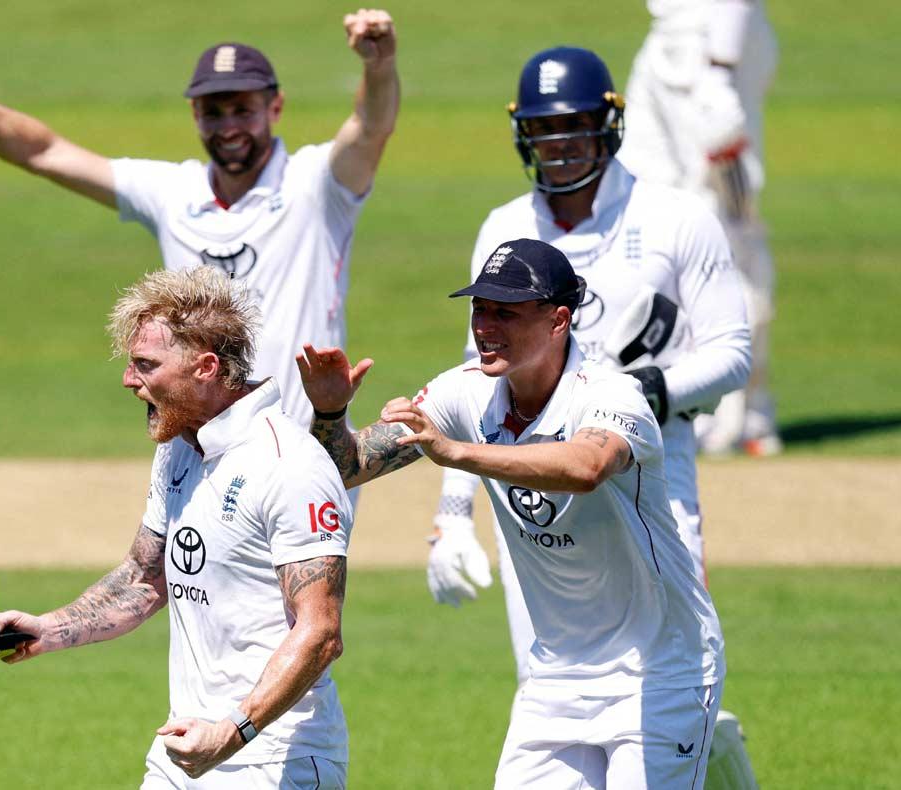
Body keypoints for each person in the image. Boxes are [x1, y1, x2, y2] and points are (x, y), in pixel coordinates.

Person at [425, 47, 759, 789]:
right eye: (545, 130)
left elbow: (732, 352)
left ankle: (707, 752)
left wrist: (639, 391)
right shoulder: (504, 224)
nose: (560, 144)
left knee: (658, 668)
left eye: (574, 126)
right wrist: (452, 517)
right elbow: (469, 392)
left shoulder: (675, 217)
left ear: (608, 125)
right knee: (557, 678)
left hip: (650, 477)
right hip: (528, 487)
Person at [297, 238, 726, 788]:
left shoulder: (613, 396)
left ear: (559, 321)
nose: (485, 327)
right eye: (480, 308)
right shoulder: (462, 391)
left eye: (507, 311)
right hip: (556, 678)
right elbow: (349, 465)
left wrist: (455, 452)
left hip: (662, 671)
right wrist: (329, 411)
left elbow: (587, 465)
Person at [0, 9, 399, 429]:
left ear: (275, 106)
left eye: (241, 110)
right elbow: (44, 152)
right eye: (213, 112)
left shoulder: (314, 185)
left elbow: (371, 126)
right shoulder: (172, 192)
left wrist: (379, 65)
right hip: (197, 447)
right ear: (194, 114)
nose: (228, 127)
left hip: (303, 446)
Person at [0, 266, 354, 788]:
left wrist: (231, 732)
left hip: (272, 757)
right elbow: (145, 578)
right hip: (183, 749)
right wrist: (46, 629)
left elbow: (320, 633)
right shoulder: (179, 447)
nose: (128, 380)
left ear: (206, 367)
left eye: (146, 365)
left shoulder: (289, 465)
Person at [620, 0, 780, 456]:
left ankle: (735, 413)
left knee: (725, 233)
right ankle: (715, 405)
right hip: (675, 38)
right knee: (646, 210)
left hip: (704, 46)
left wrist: (719, 70)